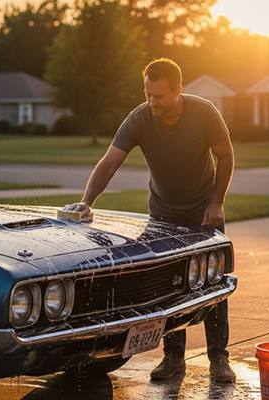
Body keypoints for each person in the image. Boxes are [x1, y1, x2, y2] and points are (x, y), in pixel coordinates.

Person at [62, 58, 236, 383]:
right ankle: (173, 358)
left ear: (178, 91)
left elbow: (226, 155)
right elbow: (109, 162)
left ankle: (219, 359)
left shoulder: (204, 113)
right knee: (167, 289)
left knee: (213, 287)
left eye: (159, 96)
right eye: (147, 94)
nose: (152, 102)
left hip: (204, 215)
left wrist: (217, 202)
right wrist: (87, 201)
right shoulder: (139, 118)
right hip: (163, 215)